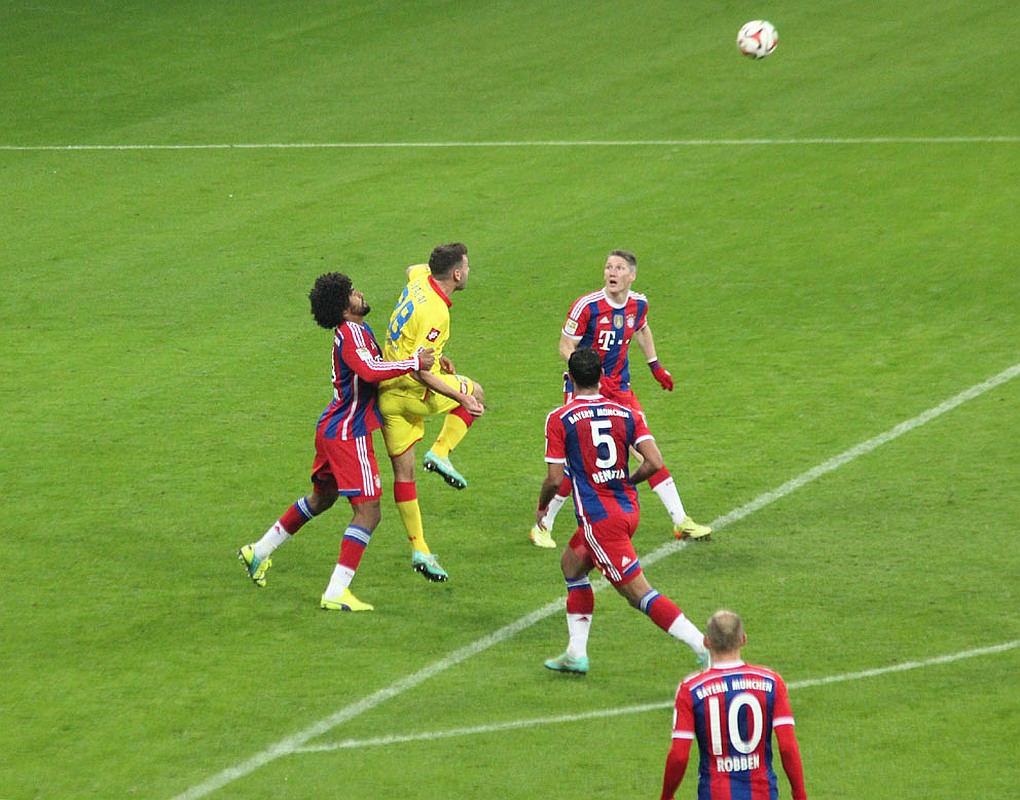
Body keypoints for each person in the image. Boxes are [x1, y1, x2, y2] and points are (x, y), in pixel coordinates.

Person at [237, 272, 435, 611]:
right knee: (369, 512)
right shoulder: (351, 333)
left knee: (322, 497)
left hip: (334, 428)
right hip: (349, 432)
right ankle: (336, 591)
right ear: (345, 308)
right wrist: (416, 362)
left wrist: (425, 370)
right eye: (352, 293)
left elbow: (379, 366)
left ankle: (260, 550)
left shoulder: (356, 331)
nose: (360, 294)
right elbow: (371, 372)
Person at [537, 347, 709, 674]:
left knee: (638, 594)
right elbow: (655, 462)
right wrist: (628, 480)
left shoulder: (560, 418)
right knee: (572, 566)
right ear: (601, 377)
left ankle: (703, 646)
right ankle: (576, 653)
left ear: (570, 378)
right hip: (627, 508)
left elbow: (555, 478)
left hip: (601, 521)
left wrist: (542, 507)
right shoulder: (626, 413)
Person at [529, 249, 711, 549]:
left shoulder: (638, 304)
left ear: (632, 275)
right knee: (580, 459)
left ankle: (681, 521)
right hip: (585, 390)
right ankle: (543, 525)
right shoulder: (587, 307)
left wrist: (655, 366)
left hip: (621, 390)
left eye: (619, 268)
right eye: (608, 267)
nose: (612, 272)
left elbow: (641, 329)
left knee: (647, 450)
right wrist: (588, 374)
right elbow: (565, 345)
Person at [378, 242, 485, 582]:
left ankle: (420, 549)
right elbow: (421, 371)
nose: (468, 271)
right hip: (413, 391)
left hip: (386, 395)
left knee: (404, 475)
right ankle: (440, 452)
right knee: (474, 391)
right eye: (465, 267)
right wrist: (460, 397)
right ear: (455, 274)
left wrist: (438, 358)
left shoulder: (420, 277)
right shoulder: (438, 312)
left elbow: (413, 267)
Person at [660, 610, 808, 800]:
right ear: (743, 639)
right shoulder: (772, 682)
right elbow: (787, 746)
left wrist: (667, 795)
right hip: (762, 793)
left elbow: (679, 755)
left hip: (714, 793)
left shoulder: (691, 689)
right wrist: (799, 794)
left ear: (707, 642)